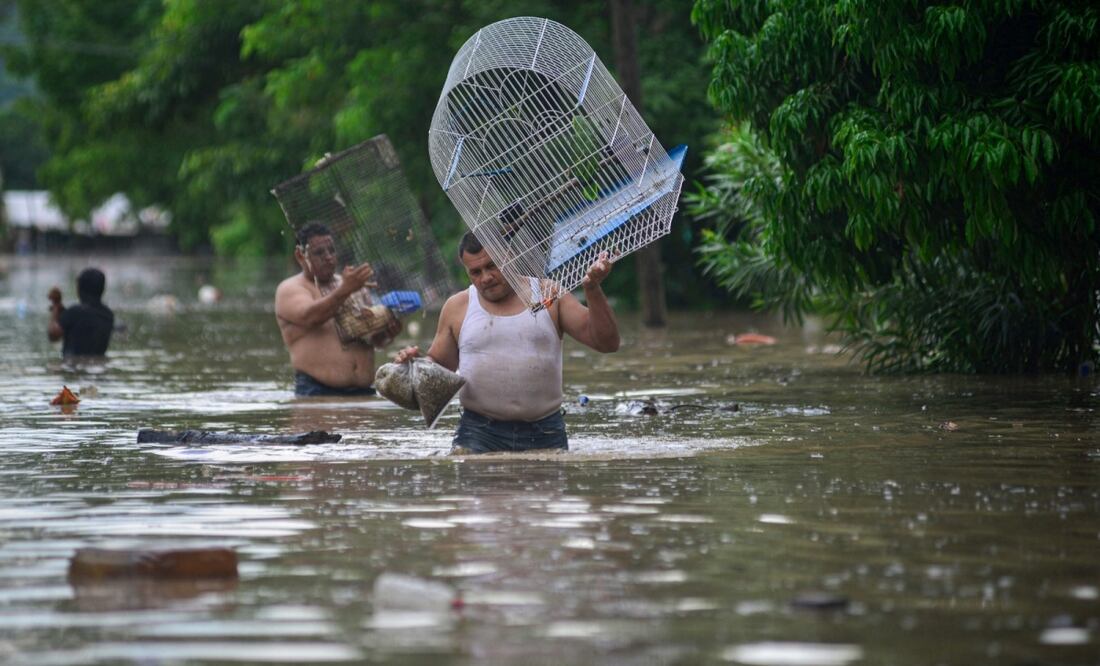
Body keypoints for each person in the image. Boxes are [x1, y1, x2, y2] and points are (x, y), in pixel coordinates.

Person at [395, 231, 620, 453]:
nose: (485, 278)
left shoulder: (548, 294)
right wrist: (414, 367)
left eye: (492, 266)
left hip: (545, 431)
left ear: (510, 258)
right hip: (478, 432)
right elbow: (439, 368)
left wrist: (592, 289)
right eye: (475, 272)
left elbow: (607, 343)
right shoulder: (458, 306)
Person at [275, 222, 401, 396]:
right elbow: (311, 316)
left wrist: (387, 334)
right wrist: (346, 289)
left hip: (364, 392)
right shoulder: (291, 289)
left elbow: (372, 340)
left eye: (331, 250)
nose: (328, 257)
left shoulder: (352, 283)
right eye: (319, 252)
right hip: (317, 393)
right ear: (300, 255)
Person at [47, 268, 114, 357]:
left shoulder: (74, 312)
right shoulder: (108, 314)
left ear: (80, 289)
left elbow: (53, 335)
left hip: (72, 364)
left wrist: (55, 306)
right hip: (99, 362)